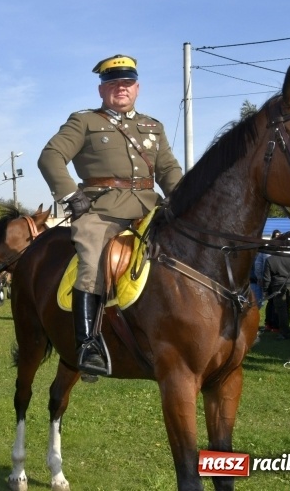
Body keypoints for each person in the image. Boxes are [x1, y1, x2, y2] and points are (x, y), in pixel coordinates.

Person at [38, 54, 183, 377]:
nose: (121, 88)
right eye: (113, 83)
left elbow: (168, 170)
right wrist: (71, 196)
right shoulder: (84, 122)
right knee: (92, 257)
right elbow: (50, 157)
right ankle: (87, 345)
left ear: (137, 88)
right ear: (101, 89)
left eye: (127, 83)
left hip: (150, 208)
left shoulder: (152, 126)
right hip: (101, 210)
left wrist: (186, 200)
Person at [261, 248, 290, 340]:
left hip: (277, 286)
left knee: (281, 310)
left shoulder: (270, 260)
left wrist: (265, 290)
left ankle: (284, 332)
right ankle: (286, 329)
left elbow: (266, 278)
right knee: (287, 308)